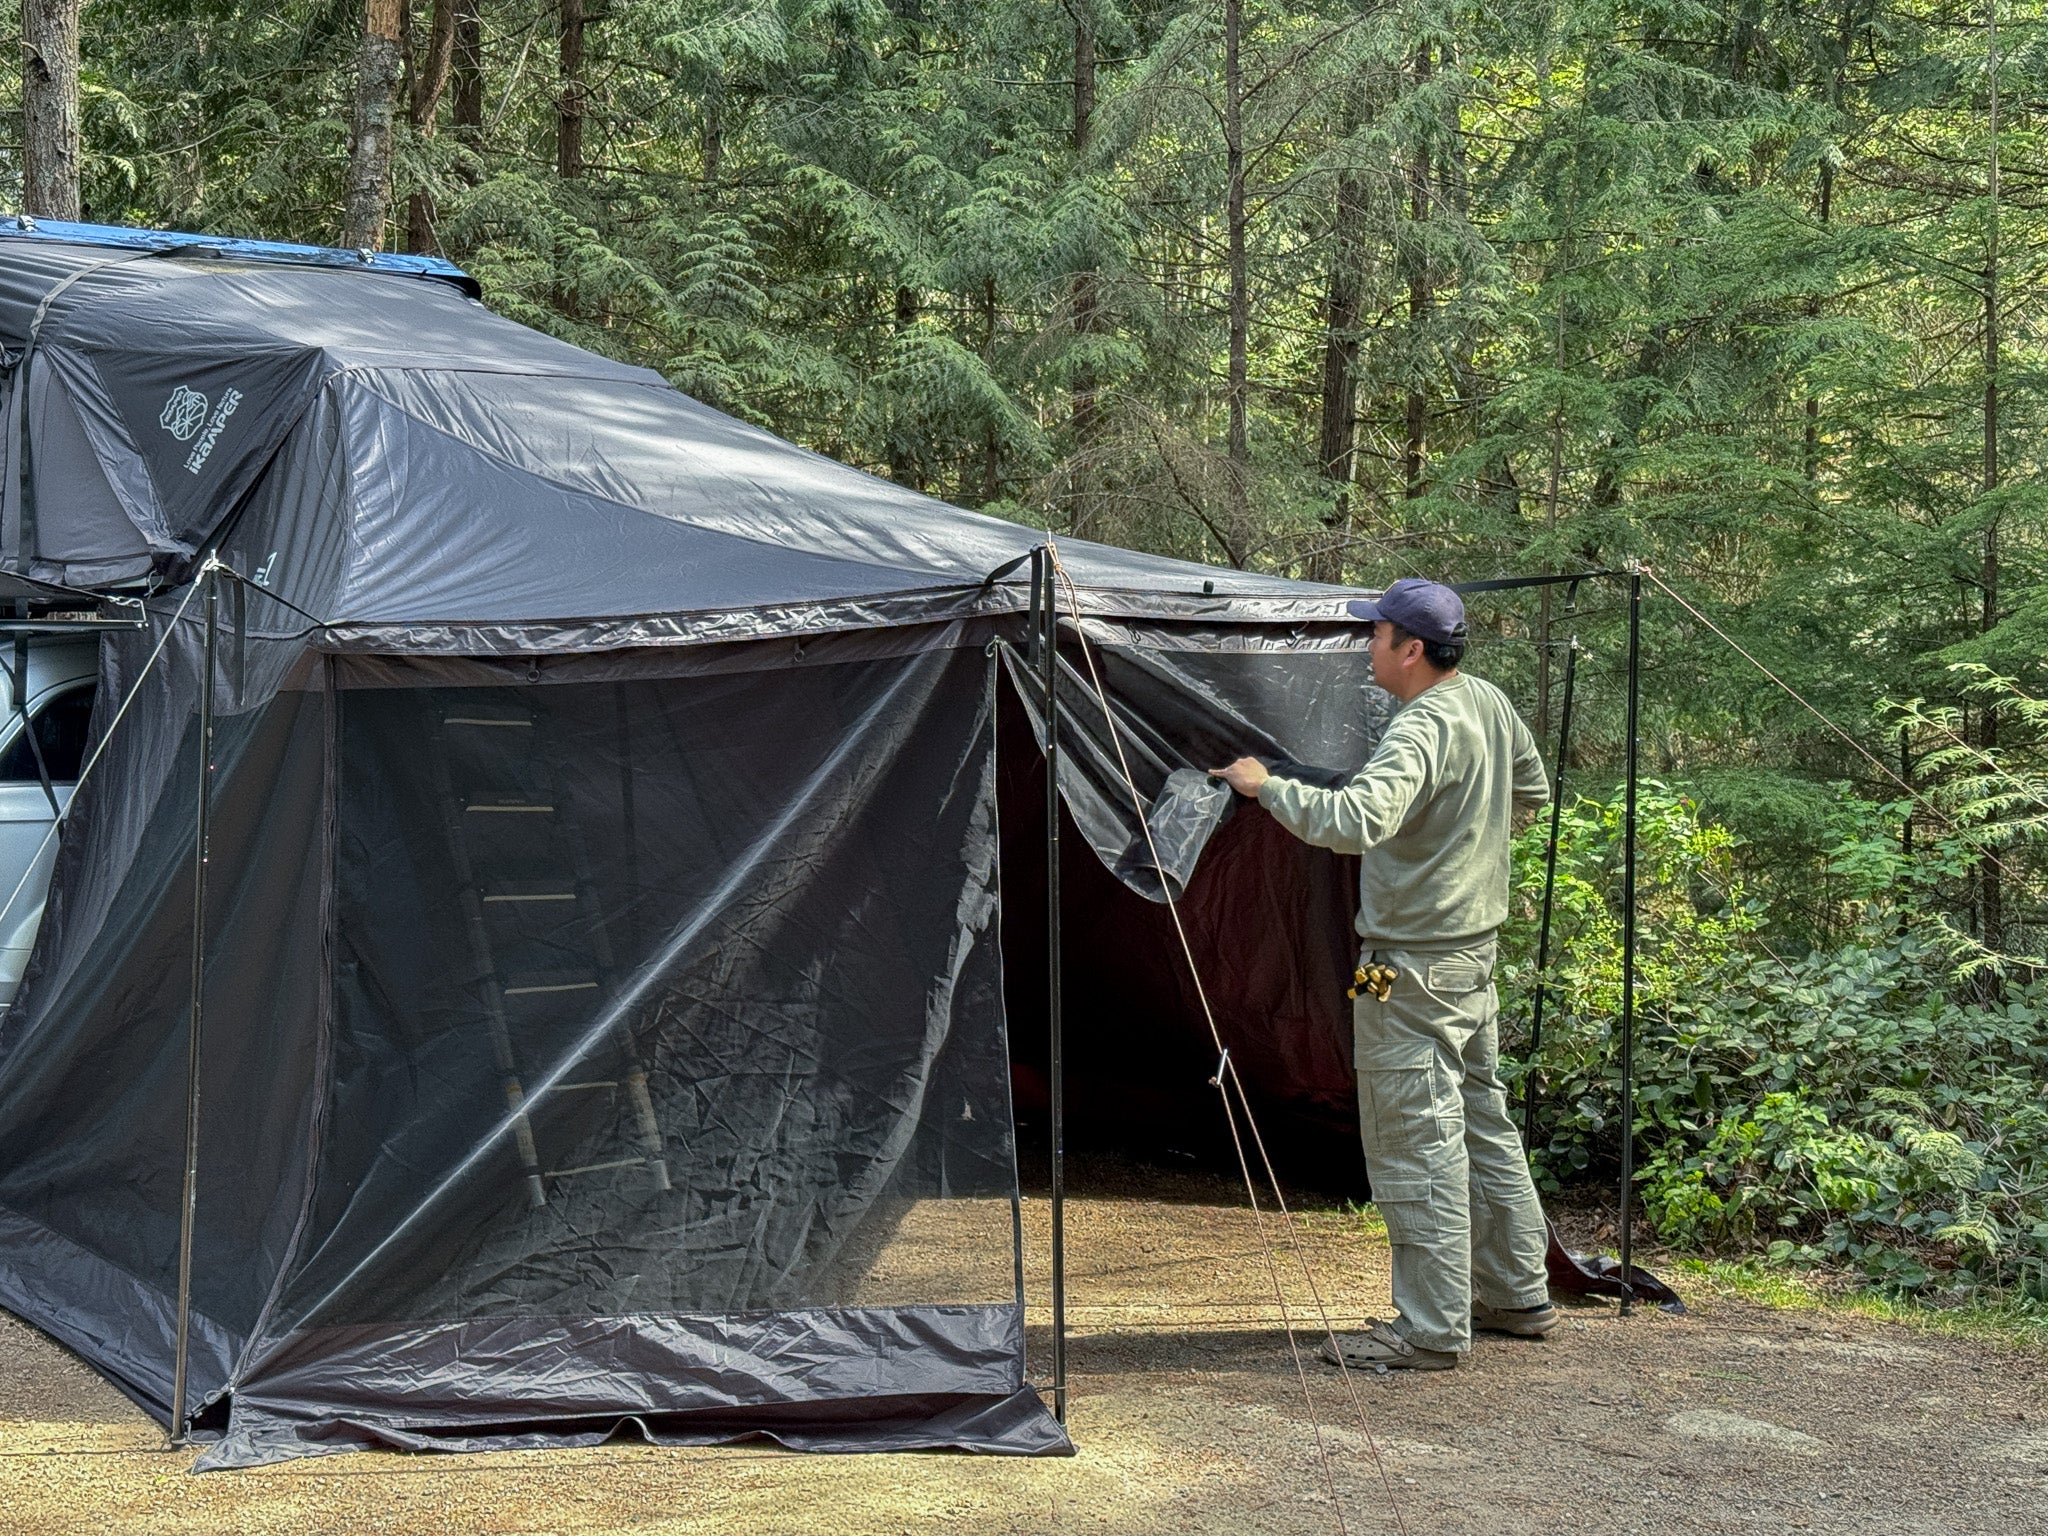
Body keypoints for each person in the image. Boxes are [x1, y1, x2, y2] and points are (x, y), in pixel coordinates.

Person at [1211, 577, 1555, 1371]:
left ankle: (1430, 1329)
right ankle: (1516, 1294)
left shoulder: (1420, 728)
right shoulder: (1489, 704)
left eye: (1376, 635)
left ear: (1411, 648)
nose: (1368, 646)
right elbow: (1530, 790)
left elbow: (1356, 821)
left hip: (1407, 967)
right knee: (1479, 1120)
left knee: (1413, 1136)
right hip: (1472, 961)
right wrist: (1463, 848)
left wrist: (1265, 788)